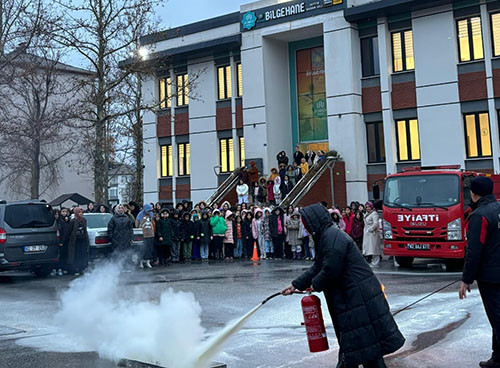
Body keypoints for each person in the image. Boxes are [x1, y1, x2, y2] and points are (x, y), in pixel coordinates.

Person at [282, 204, 405, 368]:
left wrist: (314, 285)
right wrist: (295, 284)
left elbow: (331, 269)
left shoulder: (331, 237)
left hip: (358, 297)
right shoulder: (326, 236)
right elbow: (318, 267)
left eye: (306, 221)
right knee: (366, 348)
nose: (305, 225)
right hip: (353, 297)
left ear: (314, 221)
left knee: (362, 347)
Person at [460, 176, 500, 368]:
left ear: (474, 194)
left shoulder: (480, 215)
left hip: (491, 277)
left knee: (497, 318)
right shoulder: (498, 209)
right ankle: (498, 357)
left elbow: (474, 250)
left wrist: (466, 279)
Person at [67, 207, 90, 276]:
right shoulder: (73, 221)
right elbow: (70, 231)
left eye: (82, 213)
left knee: (83, 255)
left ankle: (82, 268)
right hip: (75, 241)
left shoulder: (84, 220)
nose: (81, 214)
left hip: (83, 239)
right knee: (75, 255)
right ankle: (75, 268)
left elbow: (85, 230)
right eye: (79, 212)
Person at [363, 201, 382, 267]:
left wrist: (370, 229)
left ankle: (376, 261)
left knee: (374, 248)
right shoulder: (366, 214)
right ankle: (373, 260)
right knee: (370, 248)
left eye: (368, 207)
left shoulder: (374, 214)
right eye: (366, 207)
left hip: (373, 233)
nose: (367, 208)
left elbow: (376, 223)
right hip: (368, 233)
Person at [139, 204, 155, 268]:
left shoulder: (151, 215)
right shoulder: (140, 215)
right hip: (143, 235)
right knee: (143, 249)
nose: (149, 211)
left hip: (150, 234)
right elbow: (137, 223)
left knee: (149, 249)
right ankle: (141, 262)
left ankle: (148, 261)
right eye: (148, 210)